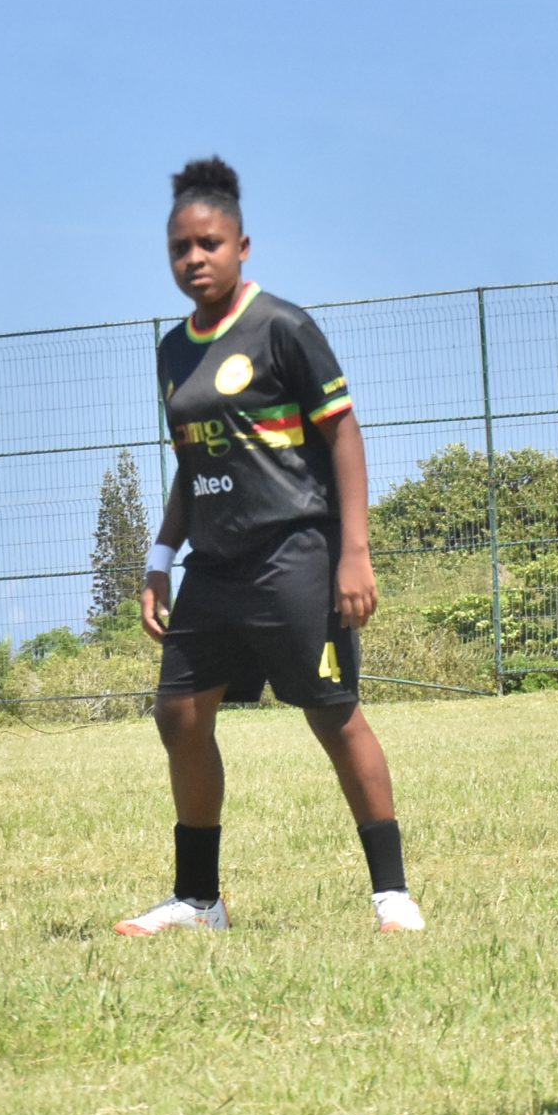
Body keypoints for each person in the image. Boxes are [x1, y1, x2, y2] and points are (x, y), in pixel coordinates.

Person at [118, 157, 424, 937]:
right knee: (179, 715)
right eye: (181, 248)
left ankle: (392, 894)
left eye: (210, 244)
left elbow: (343, 436)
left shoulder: (283, 328)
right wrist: (160, 559)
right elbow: (193, 464)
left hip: (296, 554)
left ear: (242, 246)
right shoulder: (172, 352)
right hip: (214, 567)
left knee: (332, 714)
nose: (195, 259)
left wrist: (354, 552)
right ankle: (199, 901)